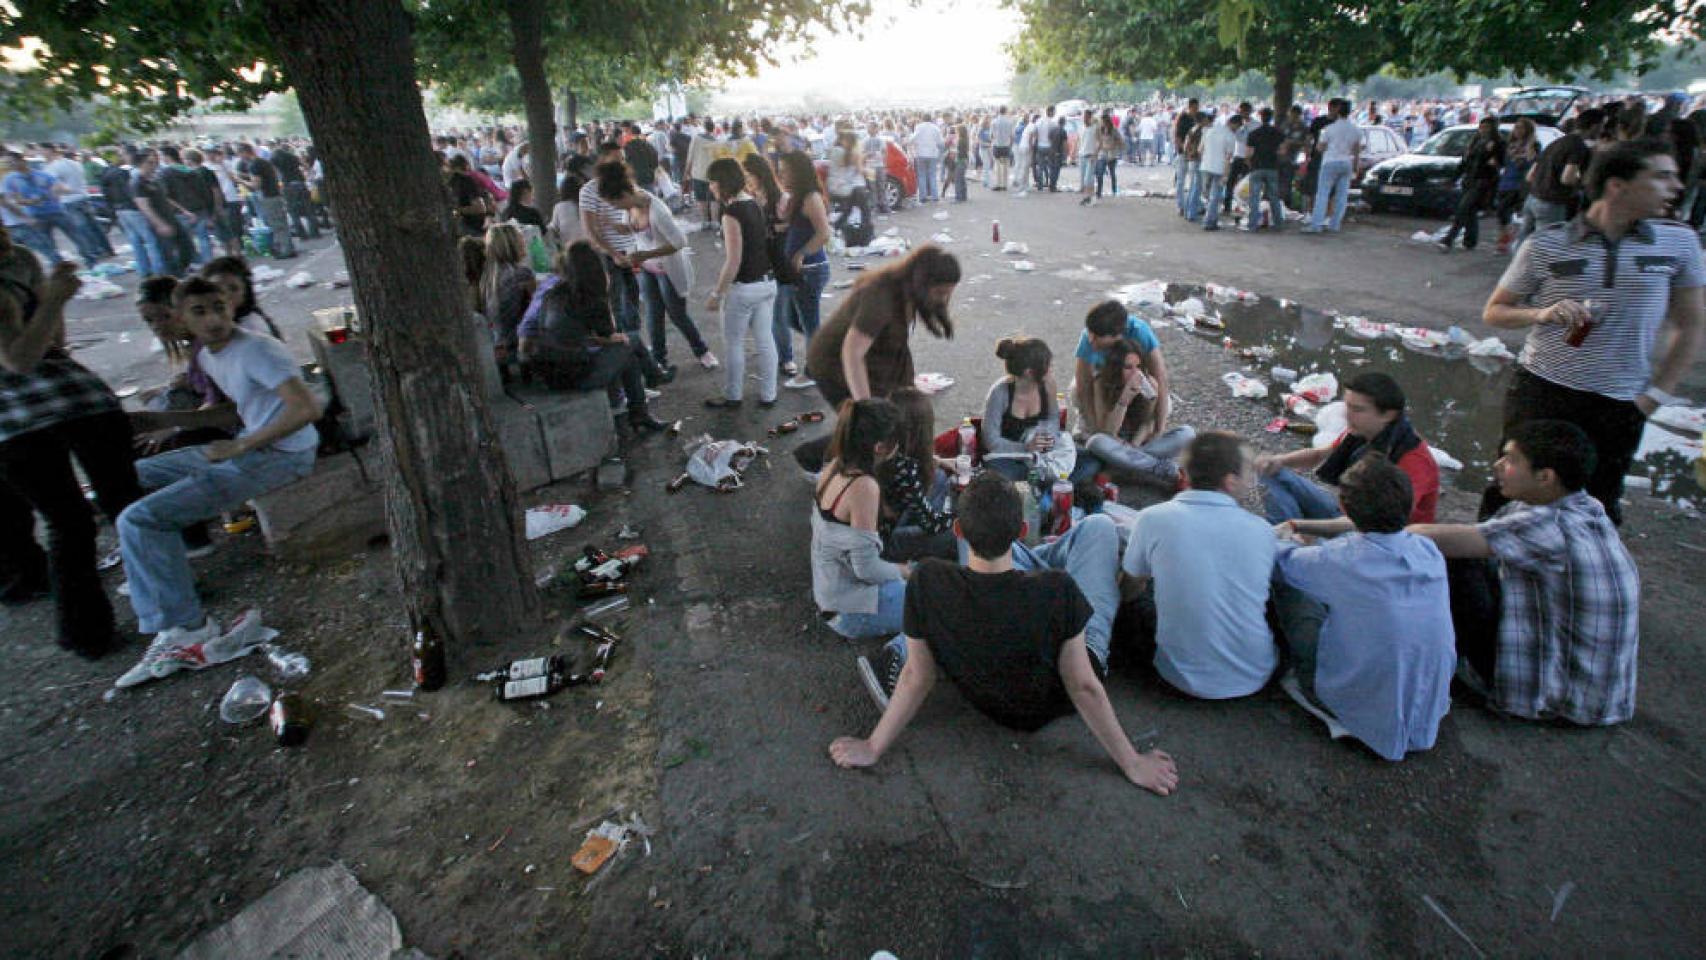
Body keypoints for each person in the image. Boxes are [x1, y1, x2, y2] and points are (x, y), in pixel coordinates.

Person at [829, 472, 1180, 797]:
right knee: (1100, 528)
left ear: (958, 532)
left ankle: (1027, 557)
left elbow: (916, 677)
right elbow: (1082, 684)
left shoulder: (927, 581)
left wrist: (873, 746)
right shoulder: (1059, 590)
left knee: (1037, 557)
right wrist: (1132, 762)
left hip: (993, 692)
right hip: (1049, 696)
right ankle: (1044, 553)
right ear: (1022, 528)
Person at [1480, 138, 1705, 525]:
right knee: (1510, 490)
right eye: (1662, 177)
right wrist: (1543, 313)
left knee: (1597, 505)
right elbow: (1496, 311)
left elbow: (1691, 325)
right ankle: (1484, 578)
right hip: (1543, 390)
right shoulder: (1547, 244)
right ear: (1618, 185)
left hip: (1619, 401)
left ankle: (1577, 580)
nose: (1677, 187)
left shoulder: (1678, 243)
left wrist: (1652, 398)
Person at [114, 277, 324, 688]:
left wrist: (242, 445)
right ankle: (166, 584)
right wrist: (165, 421)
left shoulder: (257, 349)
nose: (212, 319)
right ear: (182, 318)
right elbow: (233, 411)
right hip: (248, 448)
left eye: (218, 307)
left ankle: (186, 630)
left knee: (138, 520)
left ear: (230, 305)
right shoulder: (210, 355)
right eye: (199, 311)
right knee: (127, 477)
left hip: (282, 456)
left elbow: (306, 408)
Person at [1409, 421, 1639, 725]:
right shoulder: (1585, 504)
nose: (1498, 465)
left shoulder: (1549, 525)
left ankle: (1442, 673)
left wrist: (1353, 529)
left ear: (1545, 477)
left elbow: (1436, 539)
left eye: (1511, 460)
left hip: (1560, 700)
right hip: (1597, 695)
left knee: (1453, 561)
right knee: (1471, 558)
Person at [0, 231, 142, 657]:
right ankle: (87, 634)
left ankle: (165, 595)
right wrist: (55, 300)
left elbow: (52, 343)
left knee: (128, 505)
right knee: (69, 521)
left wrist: (49, 296)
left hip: (73, 396)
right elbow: (18, 359)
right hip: (16, 416)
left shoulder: (20, 258)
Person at [1271, 457, 1455, 761]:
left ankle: (1309, 684)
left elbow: (1279, 562)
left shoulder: (1342, 559)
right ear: (1409, 506)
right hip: (1428, 707)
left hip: (1363, 712)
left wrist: (1290, 536)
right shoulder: (1427, 551)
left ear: (1344, 509)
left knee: (1292, 588)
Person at [1121, 431, 1277, 699]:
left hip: (1177, 677)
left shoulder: (1153, 518)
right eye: (1248, 471)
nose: (1253, 479)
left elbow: (1129, 590)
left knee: (1133, 591)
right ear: (1230, 482)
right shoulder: (1262, 530)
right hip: (1255, 673)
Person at [516, 242, 667, 433]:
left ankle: (643, 404)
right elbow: (609, 334)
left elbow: (576, 336)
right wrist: (606, 291)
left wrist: (613, 339)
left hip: (550, 372)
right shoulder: (590, 297)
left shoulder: (555, 292)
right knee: (632, 342)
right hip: (574, 374)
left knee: (628, 351)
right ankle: (650, 386)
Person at [1256, 371, 1440, 529]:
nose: (1346, 414)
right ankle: (1284, 537)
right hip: (1347, 514)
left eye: (1357, 409)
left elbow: (1379, 524)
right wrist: (1278, 460)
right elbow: (1319, 454)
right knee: (1271, 472)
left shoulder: (1413, 459)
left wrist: (1301, 528)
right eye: (1347, 406)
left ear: (1388, 415)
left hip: (1377, 536)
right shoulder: (1361, 431)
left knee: (1304, 536)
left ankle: (1288, 539)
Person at [805, 244, 959, 409]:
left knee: (901, 411)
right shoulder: (880, 297)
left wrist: (906, 387)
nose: (944, 300)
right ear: (921, 283)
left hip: (874, 355)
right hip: (834, 366)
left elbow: (897, 349)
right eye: (940, 293)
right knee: (870, 424)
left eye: (949, 293)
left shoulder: (907, 287)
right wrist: (867, 408)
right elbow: (852, 354)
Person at [812, 398, 908, 639]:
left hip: (830, 594)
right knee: (934, 596)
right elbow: (867, 569)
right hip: (851, 612)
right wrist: (904, 571)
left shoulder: (835, 466)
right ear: (880, 447)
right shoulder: (863, 487)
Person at [605, 176, 717, 372]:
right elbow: (632, 229)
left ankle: (702, 350)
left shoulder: (658, 210)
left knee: (677, 314)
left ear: (625, 194)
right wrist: (618, 229)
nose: (616, 207)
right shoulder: (629, 207)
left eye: (616, 203)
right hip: (647, 268)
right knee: (653, 314)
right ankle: (659, 359)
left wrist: (647, 254)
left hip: (667, 268)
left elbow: (680, 241)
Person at [703, 157, 778, 409]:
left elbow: (733, 261)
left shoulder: (731, 212)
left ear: (722, 182)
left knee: (734, 343)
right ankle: (769, 395)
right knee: (765, 340)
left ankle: (733, 395)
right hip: (767, 283)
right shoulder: (753, 204)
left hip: (744, 288)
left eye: (712, 182)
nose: (710, 187)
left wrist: (716, 294)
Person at [1073, 339, 1194, 488]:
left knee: (1187, 433)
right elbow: (1107, 432)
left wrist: (1134, 446)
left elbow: (1147, 423)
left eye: (1138, 367)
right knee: (1095, 442)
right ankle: (1161, 469)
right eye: (1128, 367)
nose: (1135, 373)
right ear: (1116, 368)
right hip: (1114, 441)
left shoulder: (1149, 383)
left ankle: (1117, 469)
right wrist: (1124, 399)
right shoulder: (1102, 383)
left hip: (1136, 444)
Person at [1070, 300, 1171, 442]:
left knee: (1160, 396)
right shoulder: (1089, 336)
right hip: (1106, 385)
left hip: (1135, 385)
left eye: (1096, 337)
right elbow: (1083, 383)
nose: (1090, 340)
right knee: (1075, 389)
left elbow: (1160, 377)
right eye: (1090, 334)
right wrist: (1095, 430)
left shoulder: (1140, 331)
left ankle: (1138, 431)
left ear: (1117, 335)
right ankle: (1088, 426)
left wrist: (1159, 429)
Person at [774, 151, 832, 391]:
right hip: (800, 271)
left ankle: (813, 371)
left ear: (797, 171)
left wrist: (801, 253)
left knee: (809, 324)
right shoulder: (798, 196)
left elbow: (824, 233)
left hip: (811, 269)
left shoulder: (811, 197)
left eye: (784, 170)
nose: (781, 174)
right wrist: (784, 226)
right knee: (794, 318)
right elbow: (802, 223)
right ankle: (823, 349)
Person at [877, 386, 955, 562]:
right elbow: (932, 525)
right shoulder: (905, 469)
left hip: (881, 526)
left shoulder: (882, 447)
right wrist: (959, 516)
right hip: (887, 542)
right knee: (958, 534)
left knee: (940, 477)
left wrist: (938, 460)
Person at [978, 335, 1062, 482]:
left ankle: (1039, 481)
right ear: (1029, 373)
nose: (1051, 371)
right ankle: (1040, 483)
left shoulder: (1048, 386)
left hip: (1042, 455)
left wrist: (1050, 439)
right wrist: (1025, 448)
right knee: (1000, 476)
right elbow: (991, 441)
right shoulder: (1000, 392)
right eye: (1048, 367)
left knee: (1089, 463)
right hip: (1008, 457)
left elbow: (1053, 417)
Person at [1520, 108, 1605, 241]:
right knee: (1548, 246)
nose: (1603, 131)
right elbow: (1567, 178)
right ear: (1595, 126)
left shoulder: (1556, 143)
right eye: (1602, 126)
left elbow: (1530, 175)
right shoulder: (1577, 146)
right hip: (1552, 202)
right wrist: (1584, 183)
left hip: (1532, 198)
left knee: (1524, 242)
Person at [1439, 116, 1506, 253]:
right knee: (1470, 211)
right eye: (1482, 127)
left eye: (1487, 128)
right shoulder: (1475, 141)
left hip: (1484, 181)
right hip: (1469, 179)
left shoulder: (1498, 143)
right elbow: (1465, 162)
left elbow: (1501, 162)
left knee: (1464, 208)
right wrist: (1453, 179)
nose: (1483, 130)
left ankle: (1450, 237)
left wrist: (1492, 156)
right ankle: (1470, 241)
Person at [478, 223, 536, 368]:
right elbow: (536, 309)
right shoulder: (522, 274)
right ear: (511, 245)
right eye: (521, 239)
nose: (525, 243)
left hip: (496, 341)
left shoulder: (487, 277)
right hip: (516, 343)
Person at [1303, 101, 1361, 234]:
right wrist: (1356, 166)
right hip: (1346, 162)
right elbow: (1357, 150)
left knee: (1322, 193)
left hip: (1330, 161)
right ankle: (1334, 225)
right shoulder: (1355, 129)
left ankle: (1316, 224)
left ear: (1338, 111)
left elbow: (1320, 147)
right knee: (1341, 195)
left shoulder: (1329, 129)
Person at [200, 256, 284, 340]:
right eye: (217, 288)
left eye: (233, 289)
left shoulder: (251, 328)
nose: (226, 295)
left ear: (245, 292)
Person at [235, 143, 295, 257]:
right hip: (274, 195)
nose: (240, 157)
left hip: (268, 197)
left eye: (240, 154)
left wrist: (239, 180)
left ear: (244, 152)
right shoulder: (263, 162)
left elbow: (256, 185)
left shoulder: (254, 165)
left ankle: (286, 250)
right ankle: (287, 247)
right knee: (281, 223)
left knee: (277, 224)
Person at [1493, 119, 1539, 254]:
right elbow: (1504, 163)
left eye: (1521, 128)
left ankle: (1515, 242)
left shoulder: (1534, 145)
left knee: (1516, 213)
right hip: (1506, 181)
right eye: (1516, 128)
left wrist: (1529, 148)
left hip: (1521, 183)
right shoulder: (1511, 145)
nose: (1517, 131)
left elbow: (1533, 163)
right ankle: (1505, 240)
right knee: (1502, 213)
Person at [1243, 107, 1286, 232]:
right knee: (1274, 197)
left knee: (1254, 197)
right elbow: (1282, 151)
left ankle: (1252, 224)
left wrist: (1249, 163)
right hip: (1272, 167)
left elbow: (1249, 153)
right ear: (1271, 117)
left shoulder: (1253, 133)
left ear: (1261, 117)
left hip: (1257, 166)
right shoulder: (1278, 133)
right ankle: (1278, 224)